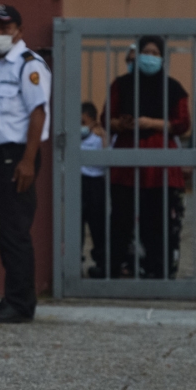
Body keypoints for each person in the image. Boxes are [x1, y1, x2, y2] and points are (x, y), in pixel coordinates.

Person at [0, 4, 51, 324]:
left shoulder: (29, 65)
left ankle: (20, 304)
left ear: (18, 30)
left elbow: (38, 112)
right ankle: (13, 297)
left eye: (4, 28)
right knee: (3, 232)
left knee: (15, 232)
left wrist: (28, 162)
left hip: (17, 157)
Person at [108, 35, 190, 279]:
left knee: (158, 219)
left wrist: (151, 123)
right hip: (127, 161)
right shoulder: (122, 84)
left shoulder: (173, 88)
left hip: (159, 163)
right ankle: (115, 267)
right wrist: (121, 124)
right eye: (147, 52)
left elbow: (183, 123)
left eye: (155, 53)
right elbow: (106, 118)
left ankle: (159, 269)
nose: (150, 58)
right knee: (121, 217)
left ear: (163, 57)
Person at [80, 101, 106, 279]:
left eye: (83, 123)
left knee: (98, 225)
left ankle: (101, 263)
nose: (80, 127)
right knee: (76, 224)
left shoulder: (99, 138)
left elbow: (107, 159)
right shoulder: (74, 137)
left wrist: (103, 137)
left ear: (93, 122)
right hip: (79, 182)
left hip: (96, 183)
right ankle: (76, 262)